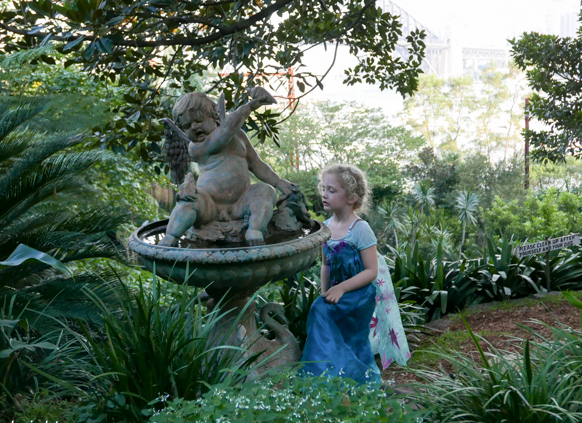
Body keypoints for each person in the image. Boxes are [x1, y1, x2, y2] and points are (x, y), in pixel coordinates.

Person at [301, 163, 411, 383]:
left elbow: (371, 271)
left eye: (332, 190)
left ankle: (356, 381)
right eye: (323, 188)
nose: (324, 194)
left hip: (358, 294)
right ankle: (333, 380)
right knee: (323, 312)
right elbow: (326, 265)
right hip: (336, 293)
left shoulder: (360, 229)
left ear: (351, 197)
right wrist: (326, 292)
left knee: (351, 337)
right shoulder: (325, 227)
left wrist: (341, 288)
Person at [159, 88, 295, 247]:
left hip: (241, 202)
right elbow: (224, 133)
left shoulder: (239, 136)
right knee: (188, 201)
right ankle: (171, 236)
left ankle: (255, 230)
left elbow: (256, 163)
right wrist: (249, 106)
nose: (194, 127)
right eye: (187, 126)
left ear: (214, 117)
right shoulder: (196, 147)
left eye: (198, 120)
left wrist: (277, 182)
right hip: (209, 204)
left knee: (266, 191)